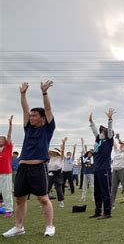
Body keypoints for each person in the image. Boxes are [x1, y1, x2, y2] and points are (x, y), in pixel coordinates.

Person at [3, 80, 56, 237]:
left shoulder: (47, 129)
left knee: (43, 199)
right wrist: (23, 94)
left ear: (43, 118)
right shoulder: (28, 128)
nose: (31, 117)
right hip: (23, 168)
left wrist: (44, 93)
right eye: (30, 116)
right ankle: (19, 227)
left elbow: (48, 108)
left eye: (34, 116)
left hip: (38, 168)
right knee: (19, 199)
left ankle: (50, 226)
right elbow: (24, 110)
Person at [88, 110, 115, 219]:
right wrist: (91, 122)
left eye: (102, 132)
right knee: (97, 192)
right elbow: (95, 131)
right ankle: (98, 211)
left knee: (105, 192)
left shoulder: (108, 141)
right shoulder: (98, 142)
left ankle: (107, 212)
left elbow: (109, 132)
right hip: (97, 169)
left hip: (105, 169)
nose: (100, 133)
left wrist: (110, 120)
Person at [111, 135, 124, 210]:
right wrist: (115, 137)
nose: (121, 145)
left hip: (123, 170)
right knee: (113, 188)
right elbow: (114, 143)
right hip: (115, 170)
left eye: (123, 145)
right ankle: (112, 204)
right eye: (121, 145)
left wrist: (121, 140)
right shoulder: (117, 151)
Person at [0, 115, 14, 218]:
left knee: (6, 192)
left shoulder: (8, 148)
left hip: (6, 173)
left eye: (1, 139)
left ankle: (9, 209)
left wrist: (10, 125)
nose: (0, 140)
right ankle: (3, 206)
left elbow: (9, 136)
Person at [47, 138, 67, 208]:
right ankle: (45, 202)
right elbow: (47, 151)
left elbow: (63, 151)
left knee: (58, 189)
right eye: (52, 152)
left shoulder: (60, 158)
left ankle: (61, 202)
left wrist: (63, 143)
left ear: (57, 153)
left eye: (54, 152)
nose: (52, 153)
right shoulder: (51, 158)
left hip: (57, 174)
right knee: (47, 189)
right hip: (50, 174)